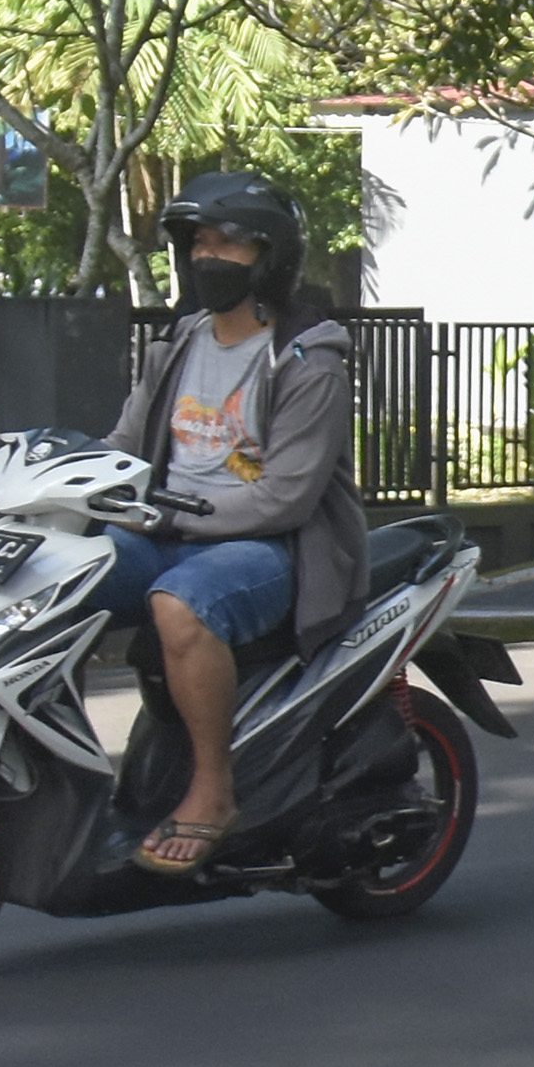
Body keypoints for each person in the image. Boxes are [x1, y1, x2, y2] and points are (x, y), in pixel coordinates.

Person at [96, 170, 368, 874]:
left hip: (272, 551)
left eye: (229, 245)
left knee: (179, 606)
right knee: (60, 573)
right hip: (166, 531)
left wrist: (179, 519)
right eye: (199, 243)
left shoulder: (309, 361)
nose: (208, 258)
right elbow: (123, 448)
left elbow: (285, 500)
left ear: (269, 257)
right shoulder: (179, 343)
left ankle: (213, 792)